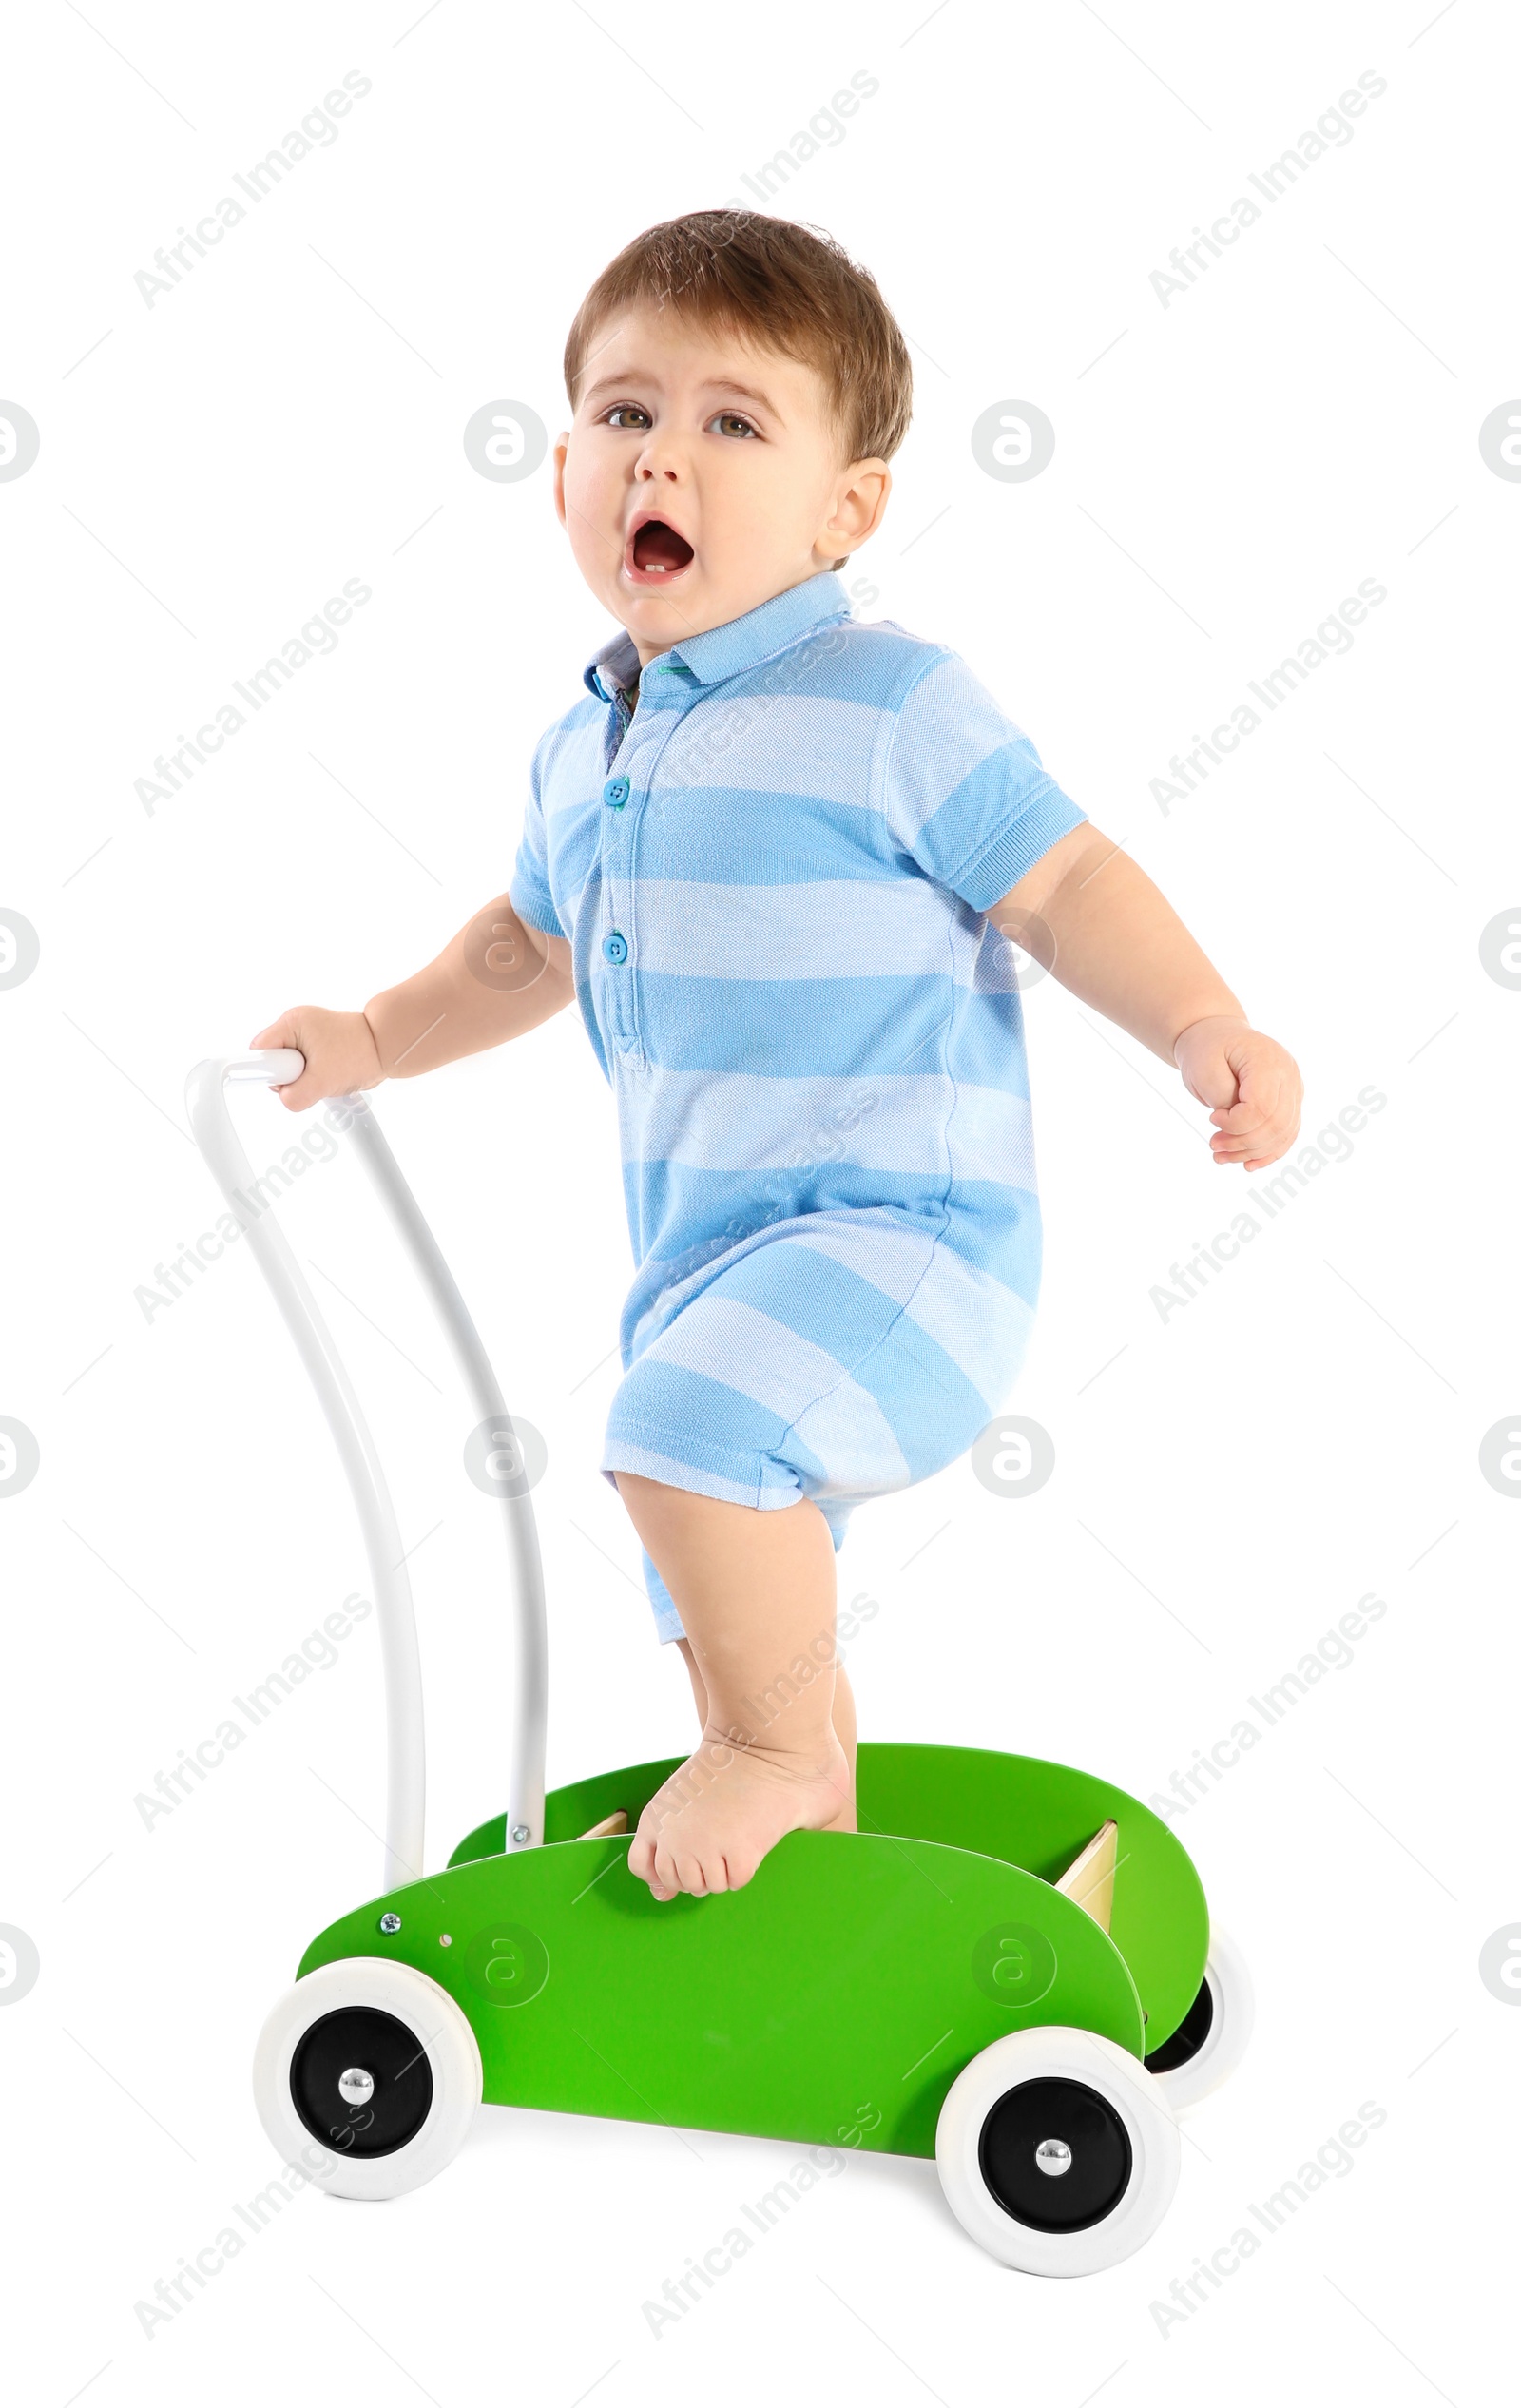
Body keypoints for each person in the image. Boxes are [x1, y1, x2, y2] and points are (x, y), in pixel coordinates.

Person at [253, 210, 1303, 1906]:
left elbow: (1067, 879)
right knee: (707, 1524)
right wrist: (376, 1034)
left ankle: (770, 1753)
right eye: (624, 413)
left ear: (847, 508)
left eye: (734, 422)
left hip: (909, 1241)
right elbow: (519, 946)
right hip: (710, 1253)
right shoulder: (575, 750)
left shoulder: (893, 701)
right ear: (565, 475)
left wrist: (1202, 1020)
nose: (663, 453)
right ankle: (795, 1790)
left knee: (677, 1436)